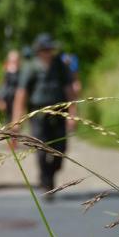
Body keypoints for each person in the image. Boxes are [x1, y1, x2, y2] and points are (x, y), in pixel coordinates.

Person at [12, 33, 77, 193]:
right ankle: (46, 180)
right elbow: (21, 94)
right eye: (44, 49)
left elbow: (69, 91)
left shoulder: (60, 66)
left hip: (59, 112)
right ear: (39, 51)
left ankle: (51, 173)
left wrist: (73, 115)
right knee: (40, 148)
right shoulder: (31, 67)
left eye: (50, 49)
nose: (47, 52)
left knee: (61, 148)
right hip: (38, 113)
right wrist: (17, 120)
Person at [0, 50, 21, 123]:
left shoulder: (21, 72)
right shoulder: (7, 72)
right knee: (8, 120)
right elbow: (2, 86)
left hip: (17, 99)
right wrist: (1, 100)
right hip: (8, 99)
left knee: (17, 121)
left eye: (15, 61)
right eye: (12, 61)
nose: (14, 63)